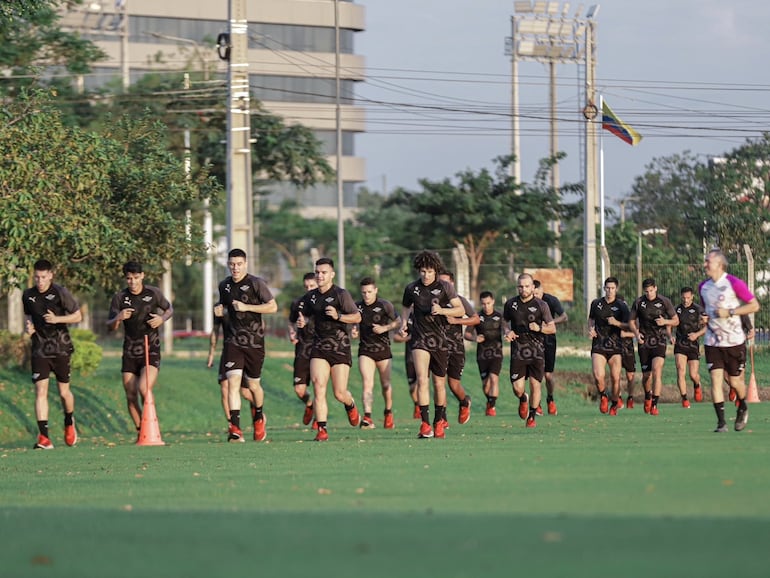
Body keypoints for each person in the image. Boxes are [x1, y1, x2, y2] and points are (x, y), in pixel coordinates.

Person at [296, 257, 362, 442]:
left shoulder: (341, 294)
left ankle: (350, 404)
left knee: (339, 392)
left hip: (340, 346)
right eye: (317, 272)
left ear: (332, 274)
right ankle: (322, 430)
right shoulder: (311, 296)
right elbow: (307, 317)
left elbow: (356, 317)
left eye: (324, 272)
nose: (320, 276)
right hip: (319, 346)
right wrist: (303, 321)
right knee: (318, 386)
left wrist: (338, 315)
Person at [215, 249, 277, 443]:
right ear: (228, 264)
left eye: (239, 264)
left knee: (253, 385)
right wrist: (220, 310)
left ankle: (258, 416)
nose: (235, 268)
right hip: (234, 341)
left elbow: (272, 307)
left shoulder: (256, 283)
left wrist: (248, 307)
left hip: (255, 343)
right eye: (232, 264)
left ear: (245, 264)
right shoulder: (224, 285)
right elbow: (224, 307)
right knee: (233, 383)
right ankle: (235, 429)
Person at [400, 250, 464, 439]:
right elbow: (404, 307)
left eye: (429, 271)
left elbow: (459, 309)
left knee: (439, 384)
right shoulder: (412, 288)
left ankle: (438, 422)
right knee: (422, 379)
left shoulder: (445, 287)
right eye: (422, 271)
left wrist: (443, 310)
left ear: (435, 270)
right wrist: (404, 323)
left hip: (441, 340)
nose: (425, 275)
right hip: (420, 339)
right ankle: (425, 424)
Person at [107, 261, 173, 439]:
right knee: (130, 394)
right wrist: (118, 318)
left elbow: (169, 309)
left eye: (136, 278)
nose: (133, 282)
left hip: (150, 348)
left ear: (142, 276)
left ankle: (152, 427)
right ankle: (141, 432)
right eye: (129, 279)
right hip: (129, 351)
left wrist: (162, 319)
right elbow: (110, 326)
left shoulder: (153, 294)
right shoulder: (119, 298)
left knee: (144, 388)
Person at [23, 259, 83, 449]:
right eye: (37, 277)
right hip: (39, 349)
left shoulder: (60, 292)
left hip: (61, 348)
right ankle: (44, 437)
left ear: (50, 275)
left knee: (64, 393)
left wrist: (57, 319)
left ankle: (69, 421)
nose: (40, 281)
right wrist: (29, 327)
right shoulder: (28, 295)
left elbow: (78, 316)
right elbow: (29, 315)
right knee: (41, 392)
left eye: (43, 277)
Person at [699, 249, 760, 432]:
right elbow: (706, 310)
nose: (705, 265)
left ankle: (742, 405)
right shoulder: (703, 286)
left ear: (719, 264)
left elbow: (754, 305)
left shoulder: (733, 283)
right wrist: (705, 318)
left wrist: (730, 312)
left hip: (734, 341)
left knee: (735, 382)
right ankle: (721, 423)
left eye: (708, 261)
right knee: (715, 379)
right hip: (712, 341)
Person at [503, 273, 555, 428]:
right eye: (520, 286)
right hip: (518, 351)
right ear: (517, 287)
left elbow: (552, 328)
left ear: (533, 287)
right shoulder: (510, 304)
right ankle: (523, 399)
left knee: (535, 384)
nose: (523, 289)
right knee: (517, 388)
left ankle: (532, 416)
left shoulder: (541, 305)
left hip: (537, 351)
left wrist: (539, 328)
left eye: (527, 286)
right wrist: (507, 332)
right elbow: (504, 322)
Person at [352, 277, 401, 429]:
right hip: (365, 350)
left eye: (369, 292)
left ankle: (388, 412)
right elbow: (352, 323)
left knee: (385, 384)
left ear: (375, 291)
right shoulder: (357, 306)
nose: (366, 295)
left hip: (383, 350)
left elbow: (398, 321)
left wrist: (384, 328)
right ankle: (367, 417)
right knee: (367, 383)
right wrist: (354, 331)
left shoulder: (385, 305)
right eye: (363, 292)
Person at [628, 278, 678, 416]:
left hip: (659, 341)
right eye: (646, 291)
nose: (649, 293)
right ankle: (648, 395)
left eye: (651, 290)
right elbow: (631, 321)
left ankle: (655, 405)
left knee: (657, 370)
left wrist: (665, 321)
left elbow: (676, 320)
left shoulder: (664, 301)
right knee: (646, 376)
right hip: (644, 342)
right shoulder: (639, 302)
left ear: (655, 288)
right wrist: (636, 334)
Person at [439, 270, 476, 425]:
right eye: (439, 282)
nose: (442, 286)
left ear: (452, 284)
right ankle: (442, 418)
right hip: (437, 347)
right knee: (438, 382)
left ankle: (464, 401)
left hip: (456, 347)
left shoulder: (459, 300)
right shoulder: (432, 300)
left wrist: (456, 321)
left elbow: (475, 319)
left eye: (446, 282)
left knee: (453, 384)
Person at [588, 278, 630, 415]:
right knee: (598, 375)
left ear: (616, 289)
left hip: (615, 346)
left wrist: (617, 323)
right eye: (607, 288)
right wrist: (591, 329)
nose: (610, 291)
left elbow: (629, 325)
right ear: (604, 288)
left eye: (612, 288)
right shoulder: (596, 303)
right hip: (599, 344)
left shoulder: (621, 306)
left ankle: (614, 403)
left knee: (615, 377)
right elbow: (591, 319)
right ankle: (603, 396)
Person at [465, 290, 504, 417]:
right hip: (482, 354)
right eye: (483, 304)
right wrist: (475, 338)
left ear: (493, 301)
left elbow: (507, 329)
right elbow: (467, 334)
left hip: (496, 353)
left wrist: (508, 333)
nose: (486, 306)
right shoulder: (477, 317)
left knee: (494, 378)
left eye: (488, 303)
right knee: (486, 385)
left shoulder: (500, 316)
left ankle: (492, 407)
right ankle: (489, 401)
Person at [533, 279, 568, 415]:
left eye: (537, 293)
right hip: (533, 341)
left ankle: (550, 398)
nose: (535, 296)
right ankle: (537, 404)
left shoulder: (551, 300)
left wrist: (551, 323)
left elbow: (564, 317)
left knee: (548, 375)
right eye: (533, 293)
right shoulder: (528, 303)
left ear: (542, 290)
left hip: (548, 339)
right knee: (536, 375)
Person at [288, 272, 318, 427]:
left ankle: (319, 420)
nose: (309, 289)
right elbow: (291, 322)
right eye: (306, 286)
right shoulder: (298, 303)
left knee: (318, 385)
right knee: (299, 390)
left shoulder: (323, 303)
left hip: (319, 348)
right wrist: (292, 333)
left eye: (312, 286)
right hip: (302, 349)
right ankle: (310, 404)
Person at [672, 286, 706, 407]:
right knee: (681, 370)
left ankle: (697, 385)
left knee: (693, 375)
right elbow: (669, 324)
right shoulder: (676, 309)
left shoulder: (699, 309)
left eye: (688, 298)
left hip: (693, 345)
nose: (685, 300)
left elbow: (708, 326)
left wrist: (696, 334)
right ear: (681, 297)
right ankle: (684, 399)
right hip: (680, 344)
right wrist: (670, 336)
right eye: (683, 298)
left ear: (692, 297)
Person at [392, 312, 420, 418]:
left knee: (421, 382)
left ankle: (423, 409)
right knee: (412, 388)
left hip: (423, 356)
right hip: (410, 357)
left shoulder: (425, 314)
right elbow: (395, 337)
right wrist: (407, 338)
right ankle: (417, 404)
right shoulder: (406, 318)